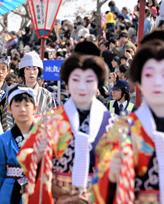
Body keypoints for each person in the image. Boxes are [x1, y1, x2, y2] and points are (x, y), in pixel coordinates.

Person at [17, 50, 115, 203]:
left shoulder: (113, 124)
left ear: (98, 85)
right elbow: (24, 156)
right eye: (75, 80)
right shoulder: (50, 120)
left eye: (89, 80)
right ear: (67, 84)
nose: (82, 87)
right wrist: (37, 154)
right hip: (57, 197)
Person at [92, 31, 164, 203]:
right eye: (149, 75)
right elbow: (99, 191)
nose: (157, 82)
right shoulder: (119, 131)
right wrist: (111, 176)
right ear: (138, 82)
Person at [0, 84, 38, 204]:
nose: (22, 109)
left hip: (38, 188)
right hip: (9, 191)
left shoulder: (44, 136)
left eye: (27, 105)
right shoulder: (3, 140)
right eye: (17, 105)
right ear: (9, 109)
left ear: (35, 108)